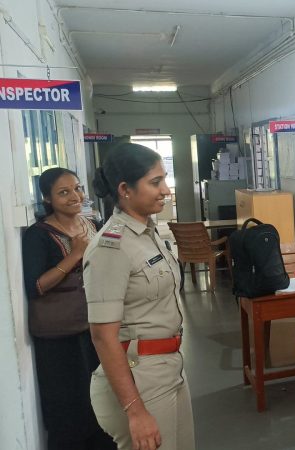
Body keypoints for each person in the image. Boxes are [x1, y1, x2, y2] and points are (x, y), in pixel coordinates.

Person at [83, 143, 194, 450]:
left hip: (168, 365)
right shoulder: (111, 247)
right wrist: (135, 410)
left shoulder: (147, 233)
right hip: (139, 377)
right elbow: (103, 336)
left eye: (164, 180)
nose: (166, 190)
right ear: (125, 190)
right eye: (155, 182)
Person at [22, 168, 115, 450]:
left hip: (95, 325)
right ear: (47, 199)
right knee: (69, 404)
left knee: (100, 396)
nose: (75, 196)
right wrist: (75, 254)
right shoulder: (38, 235)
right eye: (64, 192)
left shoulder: (92, 223)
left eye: (78, 188)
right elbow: (36, 286)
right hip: (60, 337)